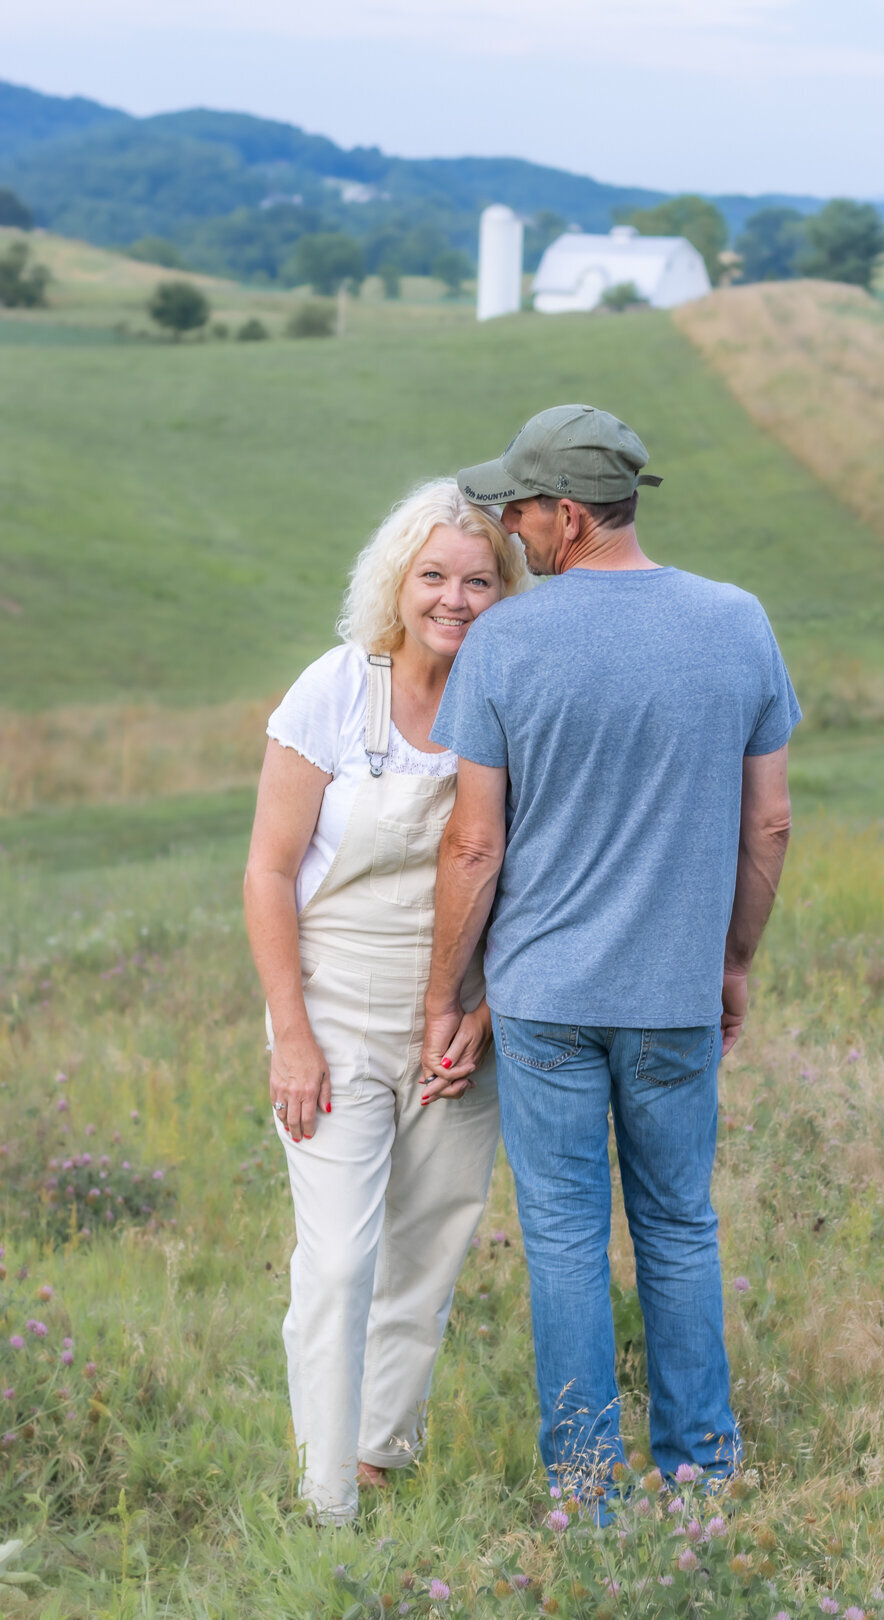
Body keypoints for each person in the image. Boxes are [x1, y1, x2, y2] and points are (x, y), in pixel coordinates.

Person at [421, 405, 800, 1508]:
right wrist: (732, 962)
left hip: (543, 1001)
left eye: (519, 509)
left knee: (565, 1240)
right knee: (680, 1227)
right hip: (674, 993)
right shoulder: (738, 622)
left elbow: (475, 840)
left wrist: (448, 993)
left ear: (570, 514)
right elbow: (767, 823)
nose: (509, 529)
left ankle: (587, 1491)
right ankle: (700, 1474)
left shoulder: (508, 641)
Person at [244, 479, 528, 1525]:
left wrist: (479, 1009)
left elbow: (521, 875)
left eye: (481, 580)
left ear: (509, 593)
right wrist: (292, 1038)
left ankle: (376, 1456)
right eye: (435, 576)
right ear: (397, 583)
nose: (455, 599)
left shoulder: (511, 703)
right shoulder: (335, 690)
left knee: (432, 1239)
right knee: (343, 1254)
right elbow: (270, 872)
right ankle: (322, 1499)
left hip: (462, 1009)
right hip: (334, 1004)